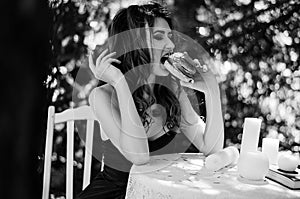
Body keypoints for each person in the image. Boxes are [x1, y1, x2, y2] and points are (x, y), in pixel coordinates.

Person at [77, 2, 224, 199]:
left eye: (169, 36)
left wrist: (211, 91)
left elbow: (211, 148)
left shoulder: (172, 90)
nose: (171, 45)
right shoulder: (102, 96)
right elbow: (139, 156)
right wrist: (120, 82)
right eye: (158, 37)